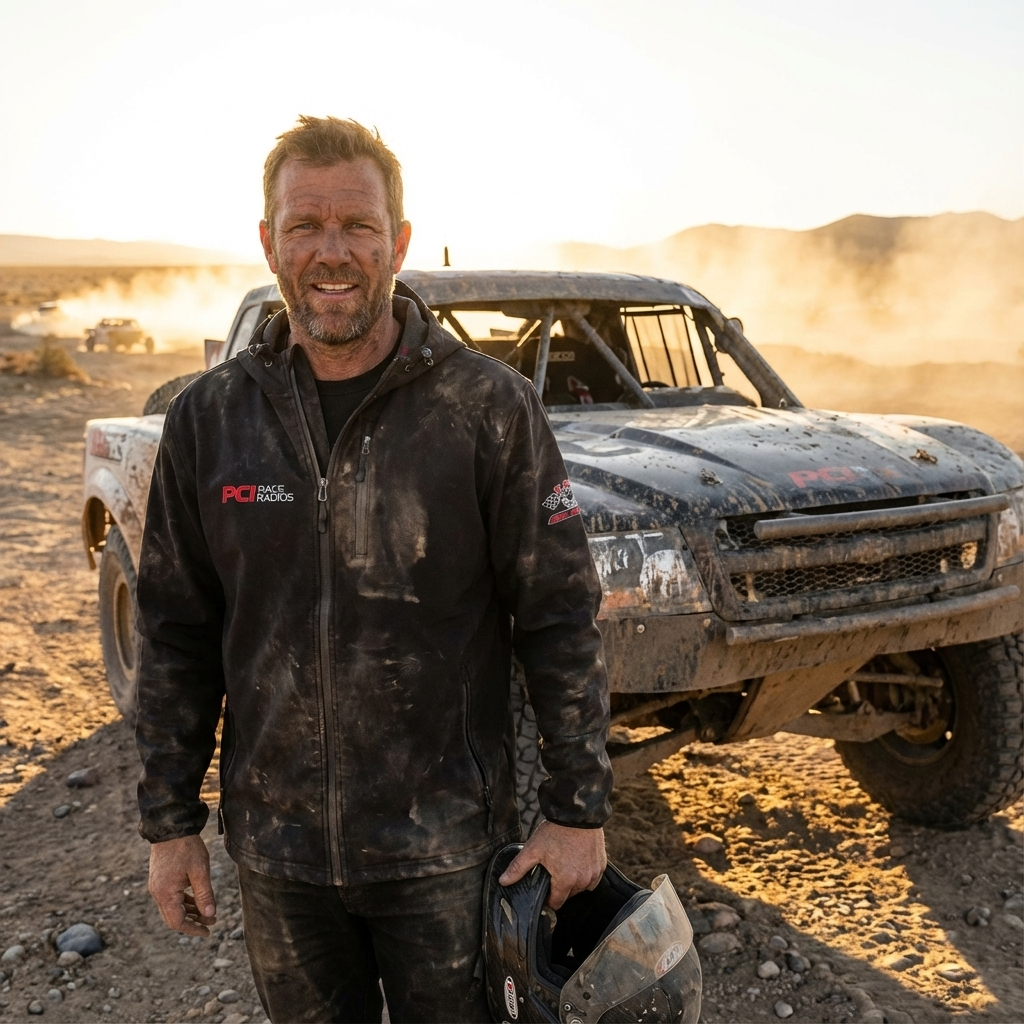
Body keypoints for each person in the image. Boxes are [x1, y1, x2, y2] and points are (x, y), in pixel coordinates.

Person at [135, 115, 612, 1024]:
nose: (332, 251)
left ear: (397, 239)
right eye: (305, 225)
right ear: (268, 241)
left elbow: (560, 616)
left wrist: (577, 809)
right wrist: (171, 826)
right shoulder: (210, 421)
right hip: (278, 859)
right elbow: (174, 632)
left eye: (357, 224)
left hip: (445, 850)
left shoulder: (488, 410)